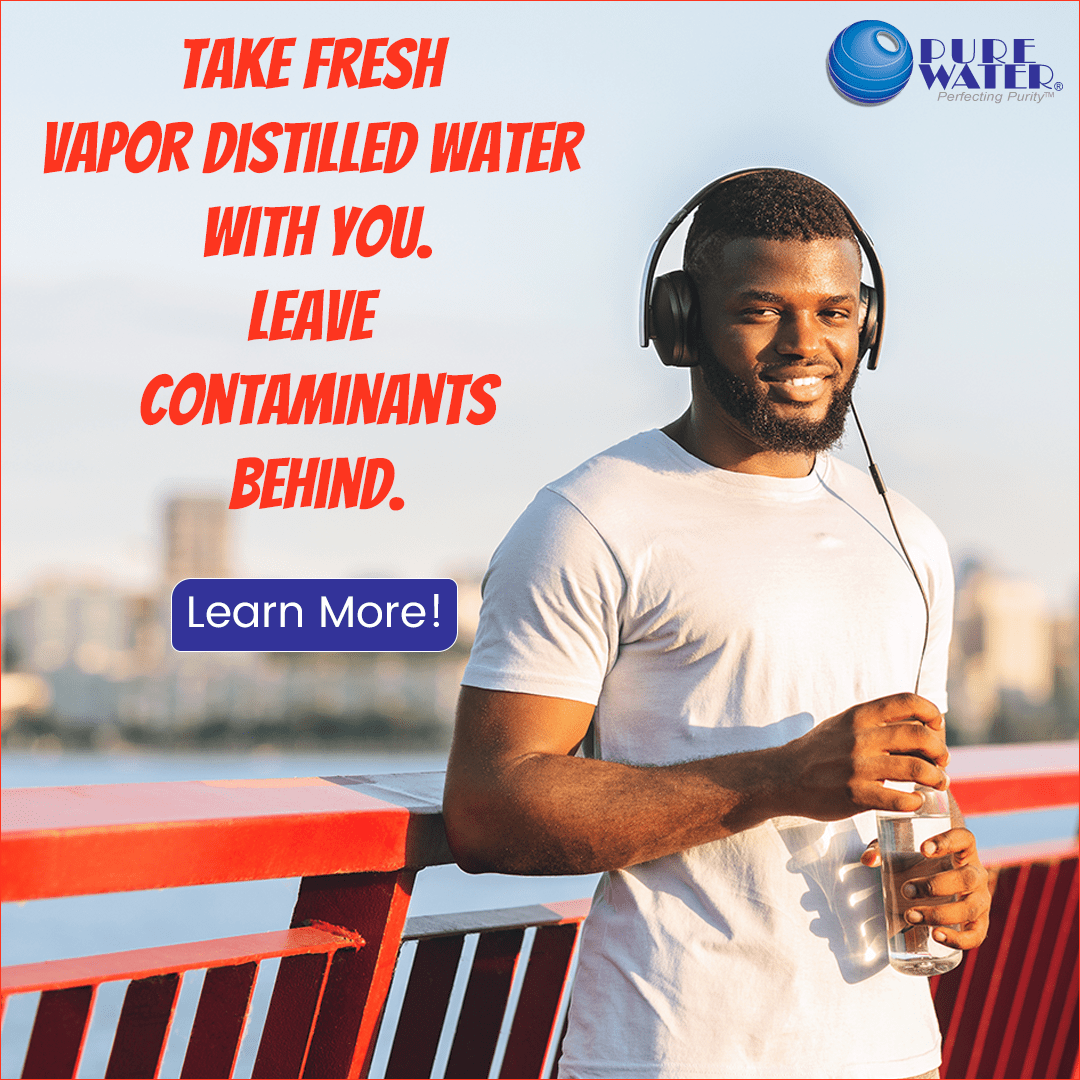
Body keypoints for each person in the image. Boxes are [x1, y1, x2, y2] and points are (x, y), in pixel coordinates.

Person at [443, 169, 990, 1079]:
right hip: (669, 1055)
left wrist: (959, 876)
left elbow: (918, 785)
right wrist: (778, 778)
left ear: (870, 326)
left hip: (894, 1056)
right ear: (683, 321)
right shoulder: (589, 518)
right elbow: (489, 811)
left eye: (836, 312)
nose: (806, 344)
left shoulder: (908, 536)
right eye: (763, 310)